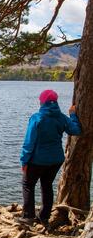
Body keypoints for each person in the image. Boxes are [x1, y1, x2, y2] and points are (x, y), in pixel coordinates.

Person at [19, 89, 81, 226]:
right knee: (46, 185)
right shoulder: (62, 117)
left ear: (42, 102)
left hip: (37, 160)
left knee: (28, 185)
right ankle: (44, 217)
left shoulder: (37, 118)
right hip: (55, 160)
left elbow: (29, 142)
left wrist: (24, 160)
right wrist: (73, 116)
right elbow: (76, 130)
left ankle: (28, 216)